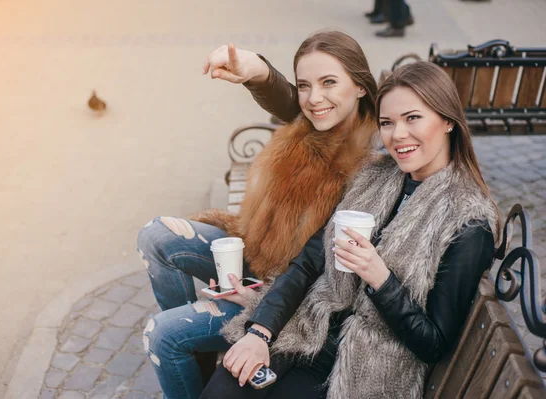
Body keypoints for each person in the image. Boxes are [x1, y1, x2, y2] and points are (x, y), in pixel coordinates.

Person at [201, 61, 500, 399]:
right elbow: (309, 262)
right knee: (222, 388)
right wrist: (261, 330)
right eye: (387, 123)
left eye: (412, 118)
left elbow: (433, 344)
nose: (397, 134)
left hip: (365, 370)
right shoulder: (373, 178)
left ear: (447, 121)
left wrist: (380, 279)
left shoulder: (468, 221)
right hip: (307, 330)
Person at [137, 31, 379, 398]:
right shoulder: (315, 119)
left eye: (329, 82)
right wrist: (257, 70)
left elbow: (328, 281)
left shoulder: (371, 163)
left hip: (287, 302)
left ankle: (185, 347)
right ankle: (197, 354)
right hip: (255, 252)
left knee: (162, 334)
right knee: (154, 236)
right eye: (305, 85)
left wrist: (258, 300)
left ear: (361, 86)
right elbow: (285, 97)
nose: (314, 98)